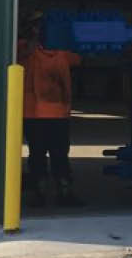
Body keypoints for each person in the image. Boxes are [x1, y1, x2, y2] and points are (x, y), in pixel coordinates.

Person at [17, 11, 84, 208]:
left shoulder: (25, 50)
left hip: (36, 114)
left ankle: (40, 194)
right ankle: (62, 193)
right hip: (54, 114)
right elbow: (79, 58)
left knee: (39, 154)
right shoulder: (59, 54)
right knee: (56, 154)